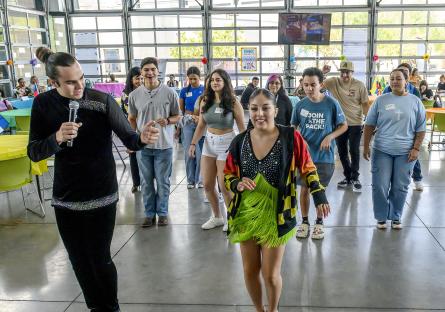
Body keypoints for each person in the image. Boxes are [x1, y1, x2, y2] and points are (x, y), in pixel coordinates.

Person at [27, 47, 160, 312]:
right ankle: (95, 307)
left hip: (102, 195)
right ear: (53, 83)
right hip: (66, 199)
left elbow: (130, 138)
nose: (79, 86)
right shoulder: (43, 104)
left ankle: (111, 308)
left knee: (100, 259)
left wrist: (142, 139)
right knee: (78, 261)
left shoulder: (102, 101)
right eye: (70, 82)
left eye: (81, 78)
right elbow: (33, 151)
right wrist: (56, 138)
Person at [224, 88, 330, 312]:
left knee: (270, 275)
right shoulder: (239, 141)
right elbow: (228, 174)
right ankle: (259, 310)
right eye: (254, 109)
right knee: (250, 271)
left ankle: (273, 310)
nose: (259, 113)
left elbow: (308, 167)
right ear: (248, 111)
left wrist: (318, 194)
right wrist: (237, 184)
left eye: (265, 108)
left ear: (276, 110)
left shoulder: (290, 137)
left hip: (277, 214)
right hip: (245, 214)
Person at [363, 69, 426, 230]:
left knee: (400, 186)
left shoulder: (415, 101)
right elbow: (369, 124)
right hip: (382, 149)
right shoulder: (380, 100)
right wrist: (366, 146)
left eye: (398, 79)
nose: (394, 82)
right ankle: (381, 217)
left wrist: (416, 149)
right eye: (392, 79)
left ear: (406, 81)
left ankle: (396, 216)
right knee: (380, 185)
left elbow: (421, 128)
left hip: (406, 152)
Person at [291, 67, 347, 240]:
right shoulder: (300, 105)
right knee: (305, 190)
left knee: (319, 190)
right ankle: (305, 222)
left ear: (321, 84)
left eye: (313, 85)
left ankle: (319, 223)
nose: (309, 88)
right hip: (305, 157)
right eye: (306, 84)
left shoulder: (331, 104)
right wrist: (301, 139)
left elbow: (343, 125)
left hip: (325, 156)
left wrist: (330, 136)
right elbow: (293, 128)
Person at [189, 69, 245, 231]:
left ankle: (232, 218)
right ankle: (217, 217)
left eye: (218, 79)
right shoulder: (204, 100)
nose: (215, 82)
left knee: (224, 185)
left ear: (225, 82)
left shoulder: (233, 102)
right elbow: (201, 125)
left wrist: (243, 151)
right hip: (209, 143)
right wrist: (193, 144)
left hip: (227, 144)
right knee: (207, 184)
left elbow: (242, 129)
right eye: (212, 79)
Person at [128, 57, 180, 228]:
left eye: (152, 69)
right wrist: (134, 138)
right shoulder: (134, 95)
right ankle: (149, 214)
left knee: (163, 181)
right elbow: (132, 118)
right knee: (146, 182)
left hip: (164, 146)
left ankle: (163, 213)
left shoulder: (170, 93)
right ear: (141, 73)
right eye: (146, 70)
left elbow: (177, 116)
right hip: (143, 148)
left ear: (158, 71)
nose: (149, 73)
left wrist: (168, 120)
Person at [322, 61, 369, 192]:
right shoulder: (333, 82)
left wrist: (369, 121)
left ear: (352, 73)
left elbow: (365, 104)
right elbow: (317, 83)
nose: (344, 75)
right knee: (342, 152)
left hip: (355, 123)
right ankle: (348, 177)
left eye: (347, 72)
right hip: (339, 124)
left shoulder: (359, 85)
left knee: (353, 150)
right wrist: (323, 72)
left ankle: (355, 177)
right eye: (342, 72)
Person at [383, 63, 423, 191]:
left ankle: (417, 179)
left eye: (406, 72)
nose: (403, 74)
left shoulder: (414, 90)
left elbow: (418, 111)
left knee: (413, 157)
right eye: (401, 71)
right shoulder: (388, 89)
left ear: (408, 77)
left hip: (408, 132)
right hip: (392, 132)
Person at [179, 66, 205, 189]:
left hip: (201, 123)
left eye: (195, 79)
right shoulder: (184, 91)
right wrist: (178, 128)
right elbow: (181, 110)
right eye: (190, 79)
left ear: (200, 78)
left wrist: (199, 117)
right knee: (189, 152)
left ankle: (200, 179)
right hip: (188, 123)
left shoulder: (205, 90)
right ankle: (190, 180)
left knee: (201, 153)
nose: (193, 81)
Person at [122, 67, 144, 193]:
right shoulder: (126, 94)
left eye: (141, 78)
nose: (140, 81)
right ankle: (136, 183)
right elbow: (129, 114)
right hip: (131, 127)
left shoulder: (147, 91)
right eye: (137, 78)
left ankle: (146, 181)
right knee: (133, 155)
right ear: (131, 79)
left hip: (144, 127)